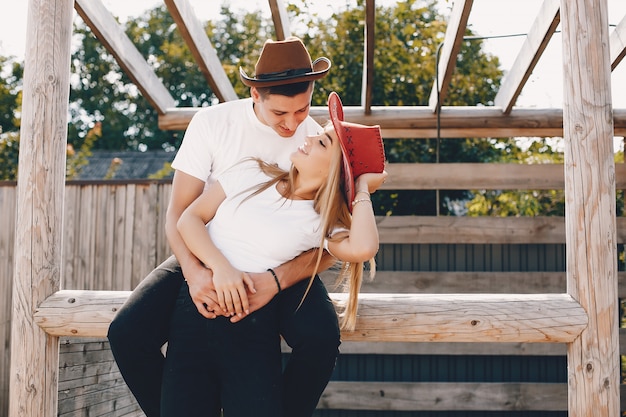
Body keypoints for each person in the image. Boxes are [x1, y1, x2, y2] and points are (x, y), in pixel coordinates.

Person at [107, 36, 343, 417]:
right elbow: (180, 214)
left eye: (301, 110)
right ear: (255, 93)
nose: (292, 123)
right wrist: (197, 273)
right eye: (280, 113)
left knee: (322, 337)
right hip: (208, 243)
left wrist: (276, 280)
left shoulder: (316, 141)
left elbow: (331, 243)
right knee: (127, 332)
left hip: (281, 255)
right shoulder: (213, 123)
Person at [161, 91, 387, 417]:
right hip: (195, 312)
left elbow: (364, 248)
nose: (309, 137)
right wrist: (220, 269)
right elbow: (189, 219)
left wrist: (362, 187)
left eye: (322, 142)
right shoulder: (252, 171)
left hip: (250, 328)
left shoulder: (319, 223)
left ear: (335, 171)